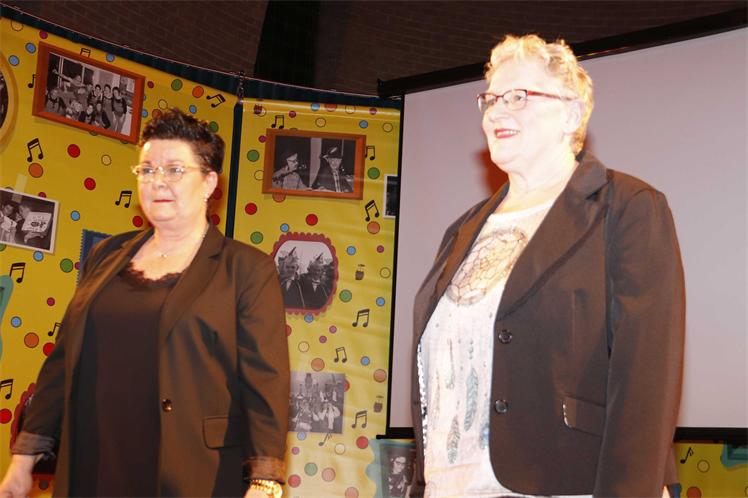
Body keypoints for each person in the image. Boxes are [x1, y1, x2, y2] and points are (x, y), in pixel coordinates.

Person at [410, 34, 684, 498]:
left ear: (571, 114)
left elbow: (647, 376)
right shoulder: (462, 230)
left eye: (518, 96)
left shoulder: (625, 207)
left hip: (565, 482)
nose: (496, 111)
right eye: (490, 99)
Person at [0, 108, 290, 498]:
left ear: (209, 182)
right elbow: (63, 360)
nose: (158, 181)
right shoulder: (107, 254)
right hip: (92, 464)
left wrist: (265, 480)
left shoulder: (246, 269)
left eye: (174, 170)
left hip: (192, 473)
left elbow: (266, 381)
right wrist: (24, 459)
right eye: (147, 170)